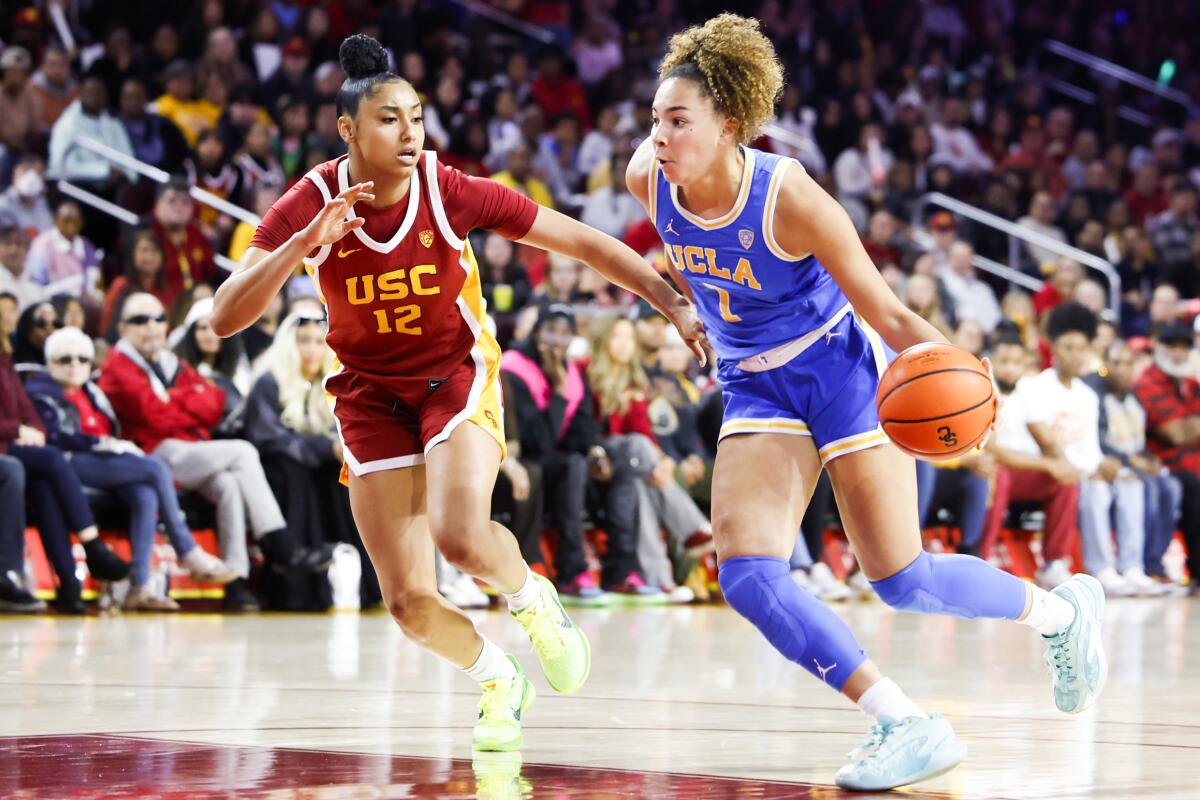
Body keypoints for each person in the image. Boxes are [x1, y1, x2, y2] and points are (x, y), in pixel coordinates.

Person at [625, 15, 1105, 791]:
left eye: (679, 121)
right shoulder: (647, 178)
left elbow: (887, 314)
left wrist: (967, 382)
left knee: (900, 578)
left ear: (730, 127)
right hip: (753, 380)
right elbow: (691, 275)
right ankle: (902, 720)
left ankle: (1062, 615)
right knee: (746, 574)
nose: (661, 136)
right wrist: (679, 308)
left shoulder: (790, 196)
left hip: (840, 368)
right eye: (655, 120)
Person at [210, 34, 706, 754]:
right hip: (367, 394)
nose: (410, 132)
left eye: (416, 116)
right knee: (409, 603)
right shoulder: (311, 198)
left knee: (459, 534)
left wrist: (671, 301)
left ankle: (534, 600)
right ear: (347, 129)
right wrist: (303, 244)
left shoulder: (449, 189)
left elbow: (585, 244)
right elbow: (226, 316)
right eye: (389, 119)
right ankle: (500, 678)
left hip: (454, 375)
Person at [27, 327, 239, 610]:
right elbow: (52, 436)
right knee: (154, 468)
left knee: (144, 493)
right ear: (50, 363)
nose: (74, 366)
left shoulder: (92, 390)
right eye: (65, 359)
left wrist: (112, 444)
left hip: (104, 459)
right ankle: (187, 550)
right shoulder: (40, 392)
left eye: (81, 359)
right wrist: (101, 442)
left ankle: (139, 586)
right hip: (69, 462)